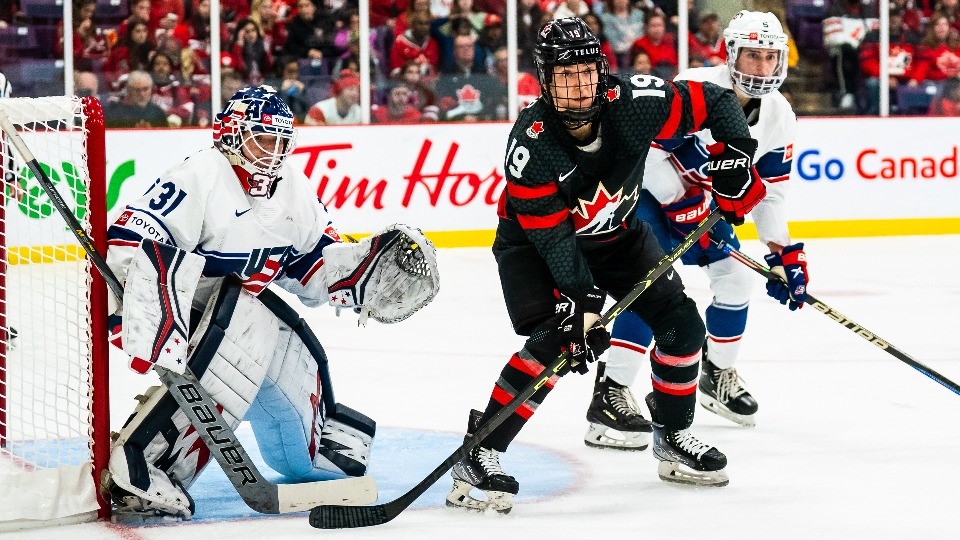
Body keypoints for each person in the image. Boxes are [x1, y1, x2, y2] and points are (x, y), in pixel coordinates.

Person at [446, 17, 765, 514]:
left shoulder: (637, 103)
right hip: (533, 246)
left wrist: (736, 158)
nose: (578, 86)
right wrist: (581, 303)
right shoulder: (531, 142)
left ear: (601, 70)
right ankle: (481, 448)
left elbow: (719, 102)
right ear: (545, 81)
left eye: (586, 72)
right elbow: (550, 237)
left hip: (618, 236)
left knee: (682, 325)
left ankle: (674, 434)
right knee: (557, 338)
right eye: (564, 75)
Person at [102, 85, 438, 519]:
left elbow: (311, 265)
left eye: (281, 141)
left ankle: (313, 451)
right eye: (263, 138)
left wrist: (358, 273)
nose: (273, 152)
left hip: (229, 315)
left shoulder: (291, 189)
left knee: (286, 343)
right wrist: (157, 323)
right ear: (231, 133)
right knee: (244, 332)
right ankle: (143, 462)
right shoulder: (198, 176)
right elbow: (132, 249)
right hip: (165, 312)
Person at [585, 12, 805, 451]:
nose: (762, 67)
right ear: (730, 53)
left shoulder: (781, 117)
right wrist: (679, 201)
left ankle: (715, 377)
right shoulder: (696, 84)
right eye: (752, 56)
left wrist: (783, 252)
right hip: (647, 191)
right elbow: (646, 150)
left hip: (699, 204)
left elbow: (771, 194)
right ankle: (611, 393)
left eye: (770, 57)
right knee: (650, 285)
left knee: (737, 279)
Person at [105, 71, 170, 128]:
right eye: (137, 90)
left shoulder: (158, 114)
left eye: (145, 89)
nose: (142, 94)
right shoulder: (115, 114)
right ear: (129, 90)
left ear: (151, 89)